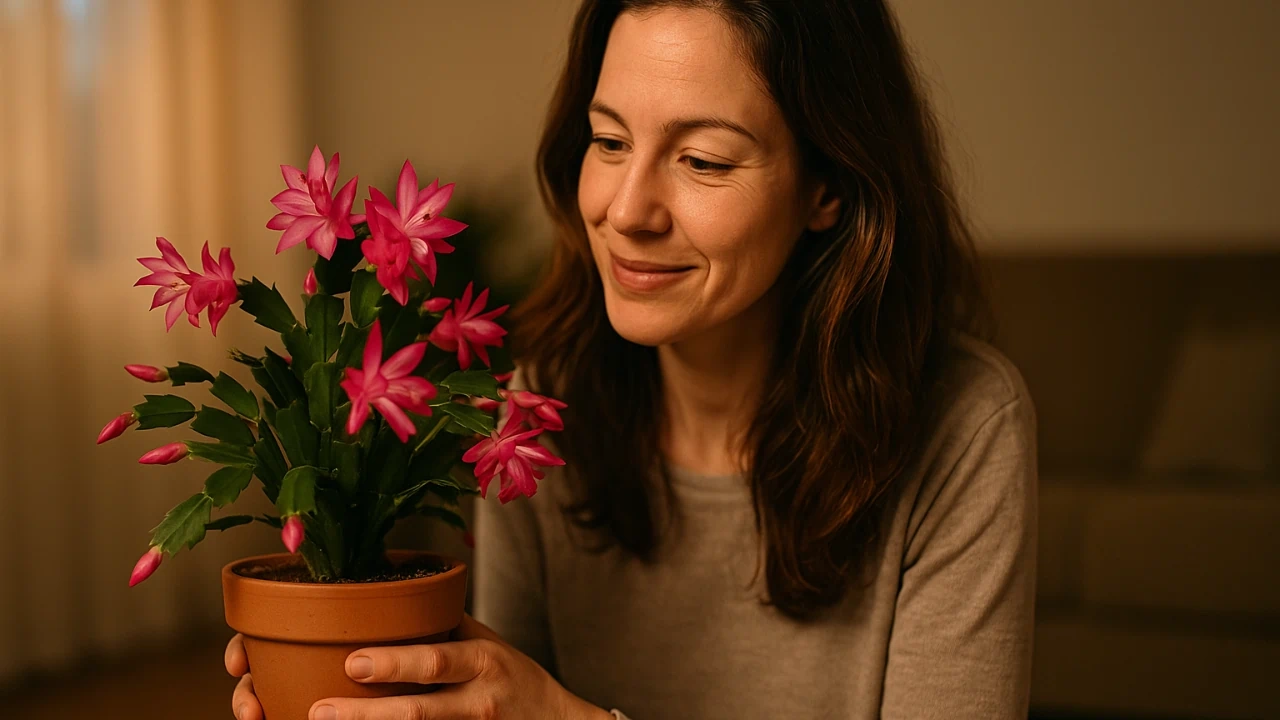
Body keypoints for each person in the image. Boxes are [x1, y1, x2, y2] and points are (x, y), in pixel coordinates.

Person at [226, 1, 1038, 718]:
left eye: (704, 161)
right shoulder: (536, 406)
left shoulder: (965, 427)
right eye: (609, 141)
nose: (625, 209)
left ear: (829, 186)